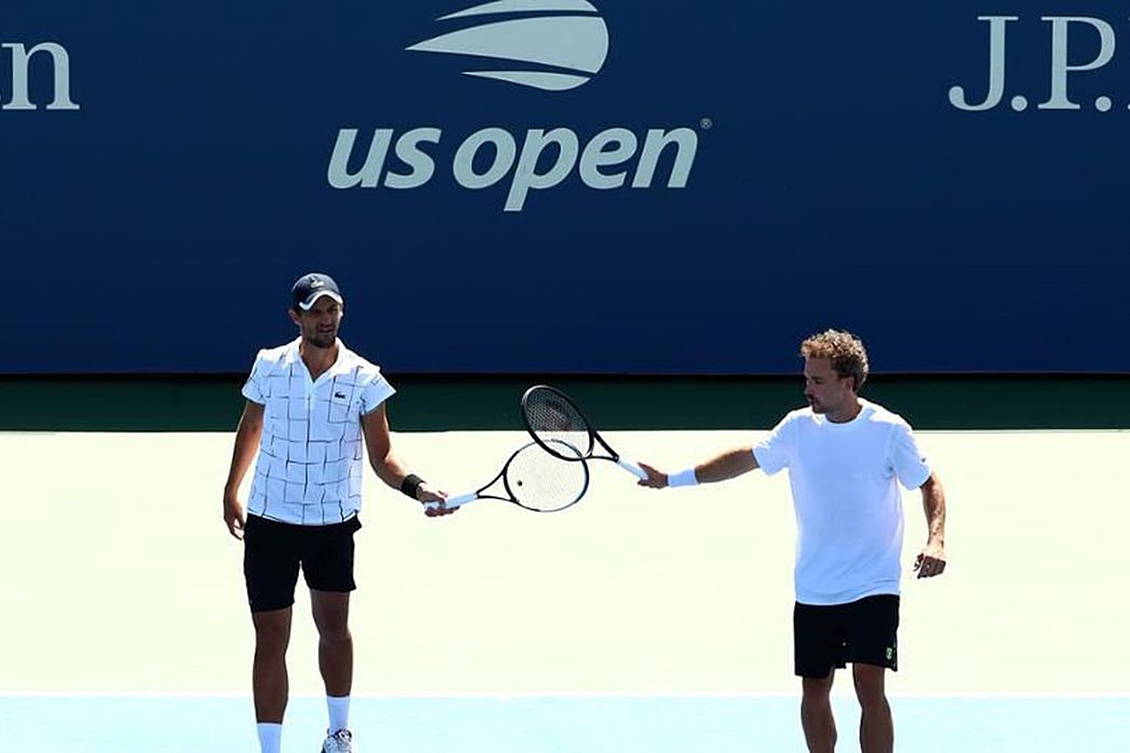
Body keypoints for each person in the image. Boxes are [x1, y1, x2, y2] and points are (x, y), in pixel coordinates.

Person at [638, 329, 947, 753]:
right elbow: (745, 459)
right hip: (815, 585)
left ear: (848, 384)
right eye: (806, 379)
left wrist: (937, 539)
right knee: (814, 689)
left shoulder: (889, 430)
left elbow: (928, 484)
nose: (807, 389)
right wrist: (672, 480)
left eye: (817, 381)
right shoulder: (797, 428)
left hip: (874, 583)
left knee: (868, 685)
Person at [222, 272, 454, 753]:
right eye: (316, 311)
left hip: (332, 524)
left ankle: (339, 732)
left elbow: (383, 456)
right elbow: (250, 427)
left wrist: (419, 488)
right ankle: (270, 748)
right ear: (296, 317)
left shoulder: (366, 377)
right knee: (271, 638)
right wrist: (231, 491)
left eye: (333, 310)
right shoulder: (269, 365)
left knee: (333, 629)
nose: (326, 319)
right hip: (271, 521)